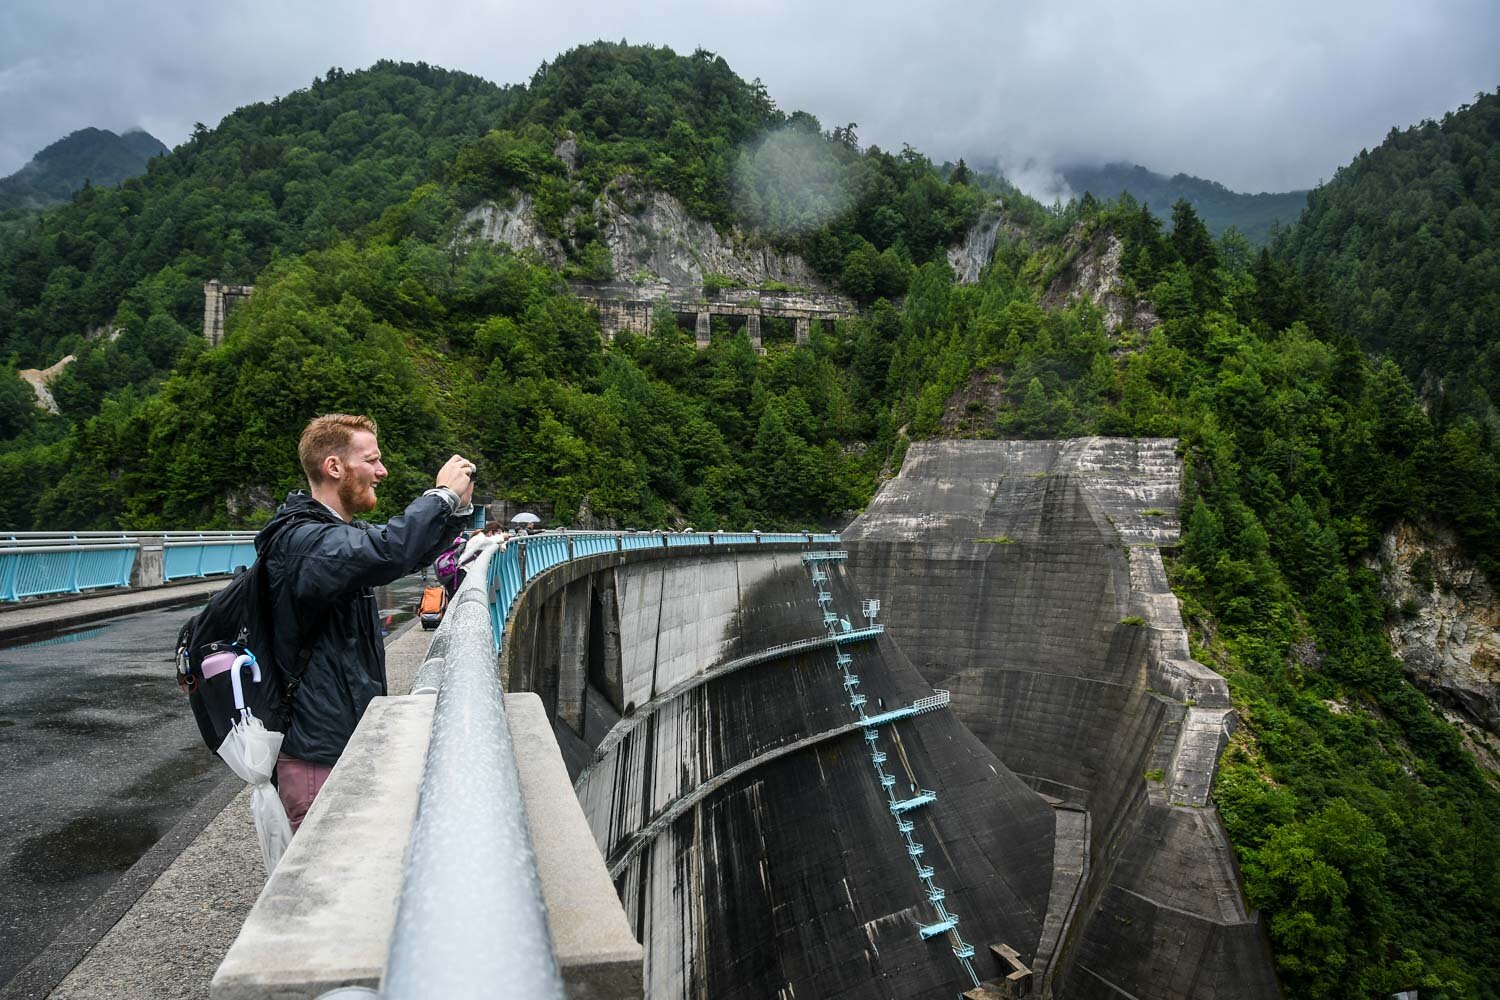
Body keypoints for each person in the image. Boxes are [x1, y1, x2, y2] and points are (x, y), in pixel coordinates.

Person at [259, 413, 474, 832]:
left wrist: (455, 514)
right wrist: (441, 496)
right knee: (324, 887)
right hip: (315, 755)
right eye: (372, 460)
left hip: (336, 741)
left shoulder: (331, 532)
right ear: (334, 467)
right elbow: (388, 550)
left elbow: (408, 556)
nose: (382, 471)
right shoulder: (304, 540)